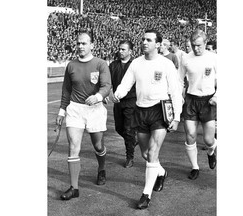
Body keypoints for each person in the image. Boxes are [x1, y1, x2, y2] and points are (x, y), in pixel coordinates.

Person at [113, 29, 182, 209]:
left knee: (152, 153)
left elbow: (175, 91)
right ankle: (161, 172)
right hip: (141, 110)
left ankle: (146, 195)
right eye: (143, 39)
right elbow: (126, 84)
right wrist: (117, 95)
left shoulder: (166, 64)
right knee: (145, 154)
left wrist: (177, 116)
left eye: (149, 40)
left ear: (158, 44)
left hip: (159, 110)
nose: (144, 42)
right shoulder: (136, 63)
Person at [56, 30, 112, 200]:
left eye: (84, 43)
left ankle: (101, 168)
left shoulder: (101, 64)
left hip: (95, 109)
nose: (80, 46)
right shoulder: (71, 65)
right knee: (73, 146)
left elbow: (106, 85)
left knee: (98, 146)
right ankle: (74, 188)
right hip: (75, 109)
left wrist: (98, 96)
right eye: (78, 43)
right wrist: (61, 110)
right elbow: (66, 89)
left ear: (92, 45)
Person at [179, 29, 217, 180]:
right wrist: (178, 98)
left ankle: (211, 151)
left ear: (205, 43)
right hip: (191, 100)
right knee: (190, 135)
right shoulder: (186, 59)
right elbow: (179, 80)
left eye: (199, 45)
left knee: (208, 140)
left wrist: (217, 96)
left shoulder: (214, 58)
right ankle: (195, 166)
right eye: (194, 45)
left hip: (208, 101)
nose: (196, 48)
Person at [109, 40, 138, 168]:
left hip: (131, 101)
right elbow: (107, 82)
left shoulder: (135, 65)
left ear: (130, 51)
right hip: (118, 102)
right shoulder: (113, 65)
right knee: (119, 128)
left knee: (128, 129)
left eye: (123, 49)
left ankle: (129, 157)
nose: (120, 51)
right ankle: (133, 141)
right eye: (119, 49)